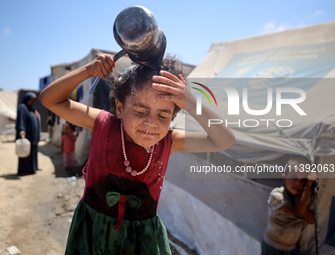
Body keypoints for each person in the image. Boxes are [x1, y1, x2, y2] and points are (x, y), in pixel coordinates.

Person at [39, 54, 236, 254]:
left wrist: (192, 103)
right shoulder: (103, 124)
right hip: (92, 235)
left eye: (163, 115)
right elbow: (50, 100)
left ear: (173, 117)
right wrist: (88, 71)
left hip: (143, 243)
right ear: (120, 107)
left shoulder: (169, 141)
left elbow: (225, 140)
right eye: (141, 111)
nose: (151, 123)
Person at [261, 158, 317, 255]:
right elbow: (298, 212)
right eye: (294, 177)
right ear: (284, 178)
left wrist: (306, 190)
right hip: (272, 247)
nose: (298, 183)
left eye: (303, 180)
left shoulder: (304, 197)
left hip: (291, 249)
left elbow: (311, 219)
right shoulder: (277, 195)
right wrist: (307, 186)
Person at [16, 92, 41, 176]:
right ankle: (23, 170)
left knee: (33, 152)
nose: (31, 102)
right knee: (24, 151)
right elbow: (21, 119)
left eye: (33, 100)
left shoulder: (32, 109)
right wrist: (22, 129)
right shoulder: (22, 107)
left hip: (33, 136)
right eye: (30, 100)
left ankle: (32, 168)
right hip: (27, 134)